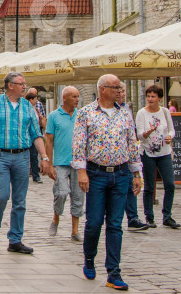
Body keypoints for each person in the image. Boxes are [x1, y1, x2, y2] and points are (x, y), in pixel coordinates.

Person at [72, 74, 143, 291]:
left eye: (121, 88)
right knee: (94, 222)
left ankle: (114, 271)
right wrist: (81, 172)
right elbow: (78, 144)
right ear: (103, 89)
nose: (120, 91)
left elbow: (132, 142)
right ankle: (89, 258)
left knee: (115, 224)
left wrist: (137, 172)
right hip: (96, 174)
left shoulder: (125, 114)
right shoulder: (86, 113)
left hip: (121, 174)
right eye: (116, 88)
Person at [0, 72, 50, 255]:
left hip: (22, 156)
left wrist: (44, 157)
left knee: (20, 200)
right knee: (1, 195)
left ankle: (15, 239)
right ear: (10, 85)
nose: (24, 87)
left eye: (24, 84)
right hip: (0, 155)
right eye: (21, 84)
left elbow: (36, 134)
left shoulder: (28, 107)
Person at [136, 84, 180, 229]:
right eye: (148, 96)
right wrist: (147, 133)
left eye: (153, 96)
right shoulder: (142, 113)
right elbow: (139, 135)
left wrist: (169, 136)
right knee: (149, 186)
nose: (150, 99)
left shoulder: (165, 112)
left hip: (164, 152)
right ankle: (149, 217)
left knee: (170, 184)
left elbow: (172, 130)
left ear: (159, 98)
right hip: (148, 152)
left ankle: (167, 215)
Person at [45, 86, 84, 241]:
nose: (77, 99)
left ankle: (75, 230)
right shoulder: (54, 116)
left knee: (78, 194)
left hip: (78, 161)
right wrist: (49, 162)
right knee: (61, 192)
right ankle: (56, 217)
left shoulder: (80, 116)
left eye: (78, 96)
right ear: (65, 98)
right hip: (60, 161)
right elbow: (49, 140)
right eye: (74, 97)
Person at [119, 83, 148, 232]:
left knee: (131, 187)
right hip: (110, 160)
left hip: (126, 156)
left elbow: (131, 136)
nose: (123, 93)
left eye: (124, 90)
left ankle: (133, 218)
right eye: (120, 90)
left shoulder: (126, 110)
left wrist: (135, 167)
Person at [25, 88, 46, 184]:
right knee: (26, 155)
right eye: (34, 99)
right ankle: (24, 174)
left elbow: (41, 118)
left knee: (33, 155)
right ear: (30, 100)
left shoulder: (36, 108)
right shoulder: (24, 108)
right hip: (26, 135)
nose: (36, 100)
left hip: (35, 134)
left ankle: (36, 176)